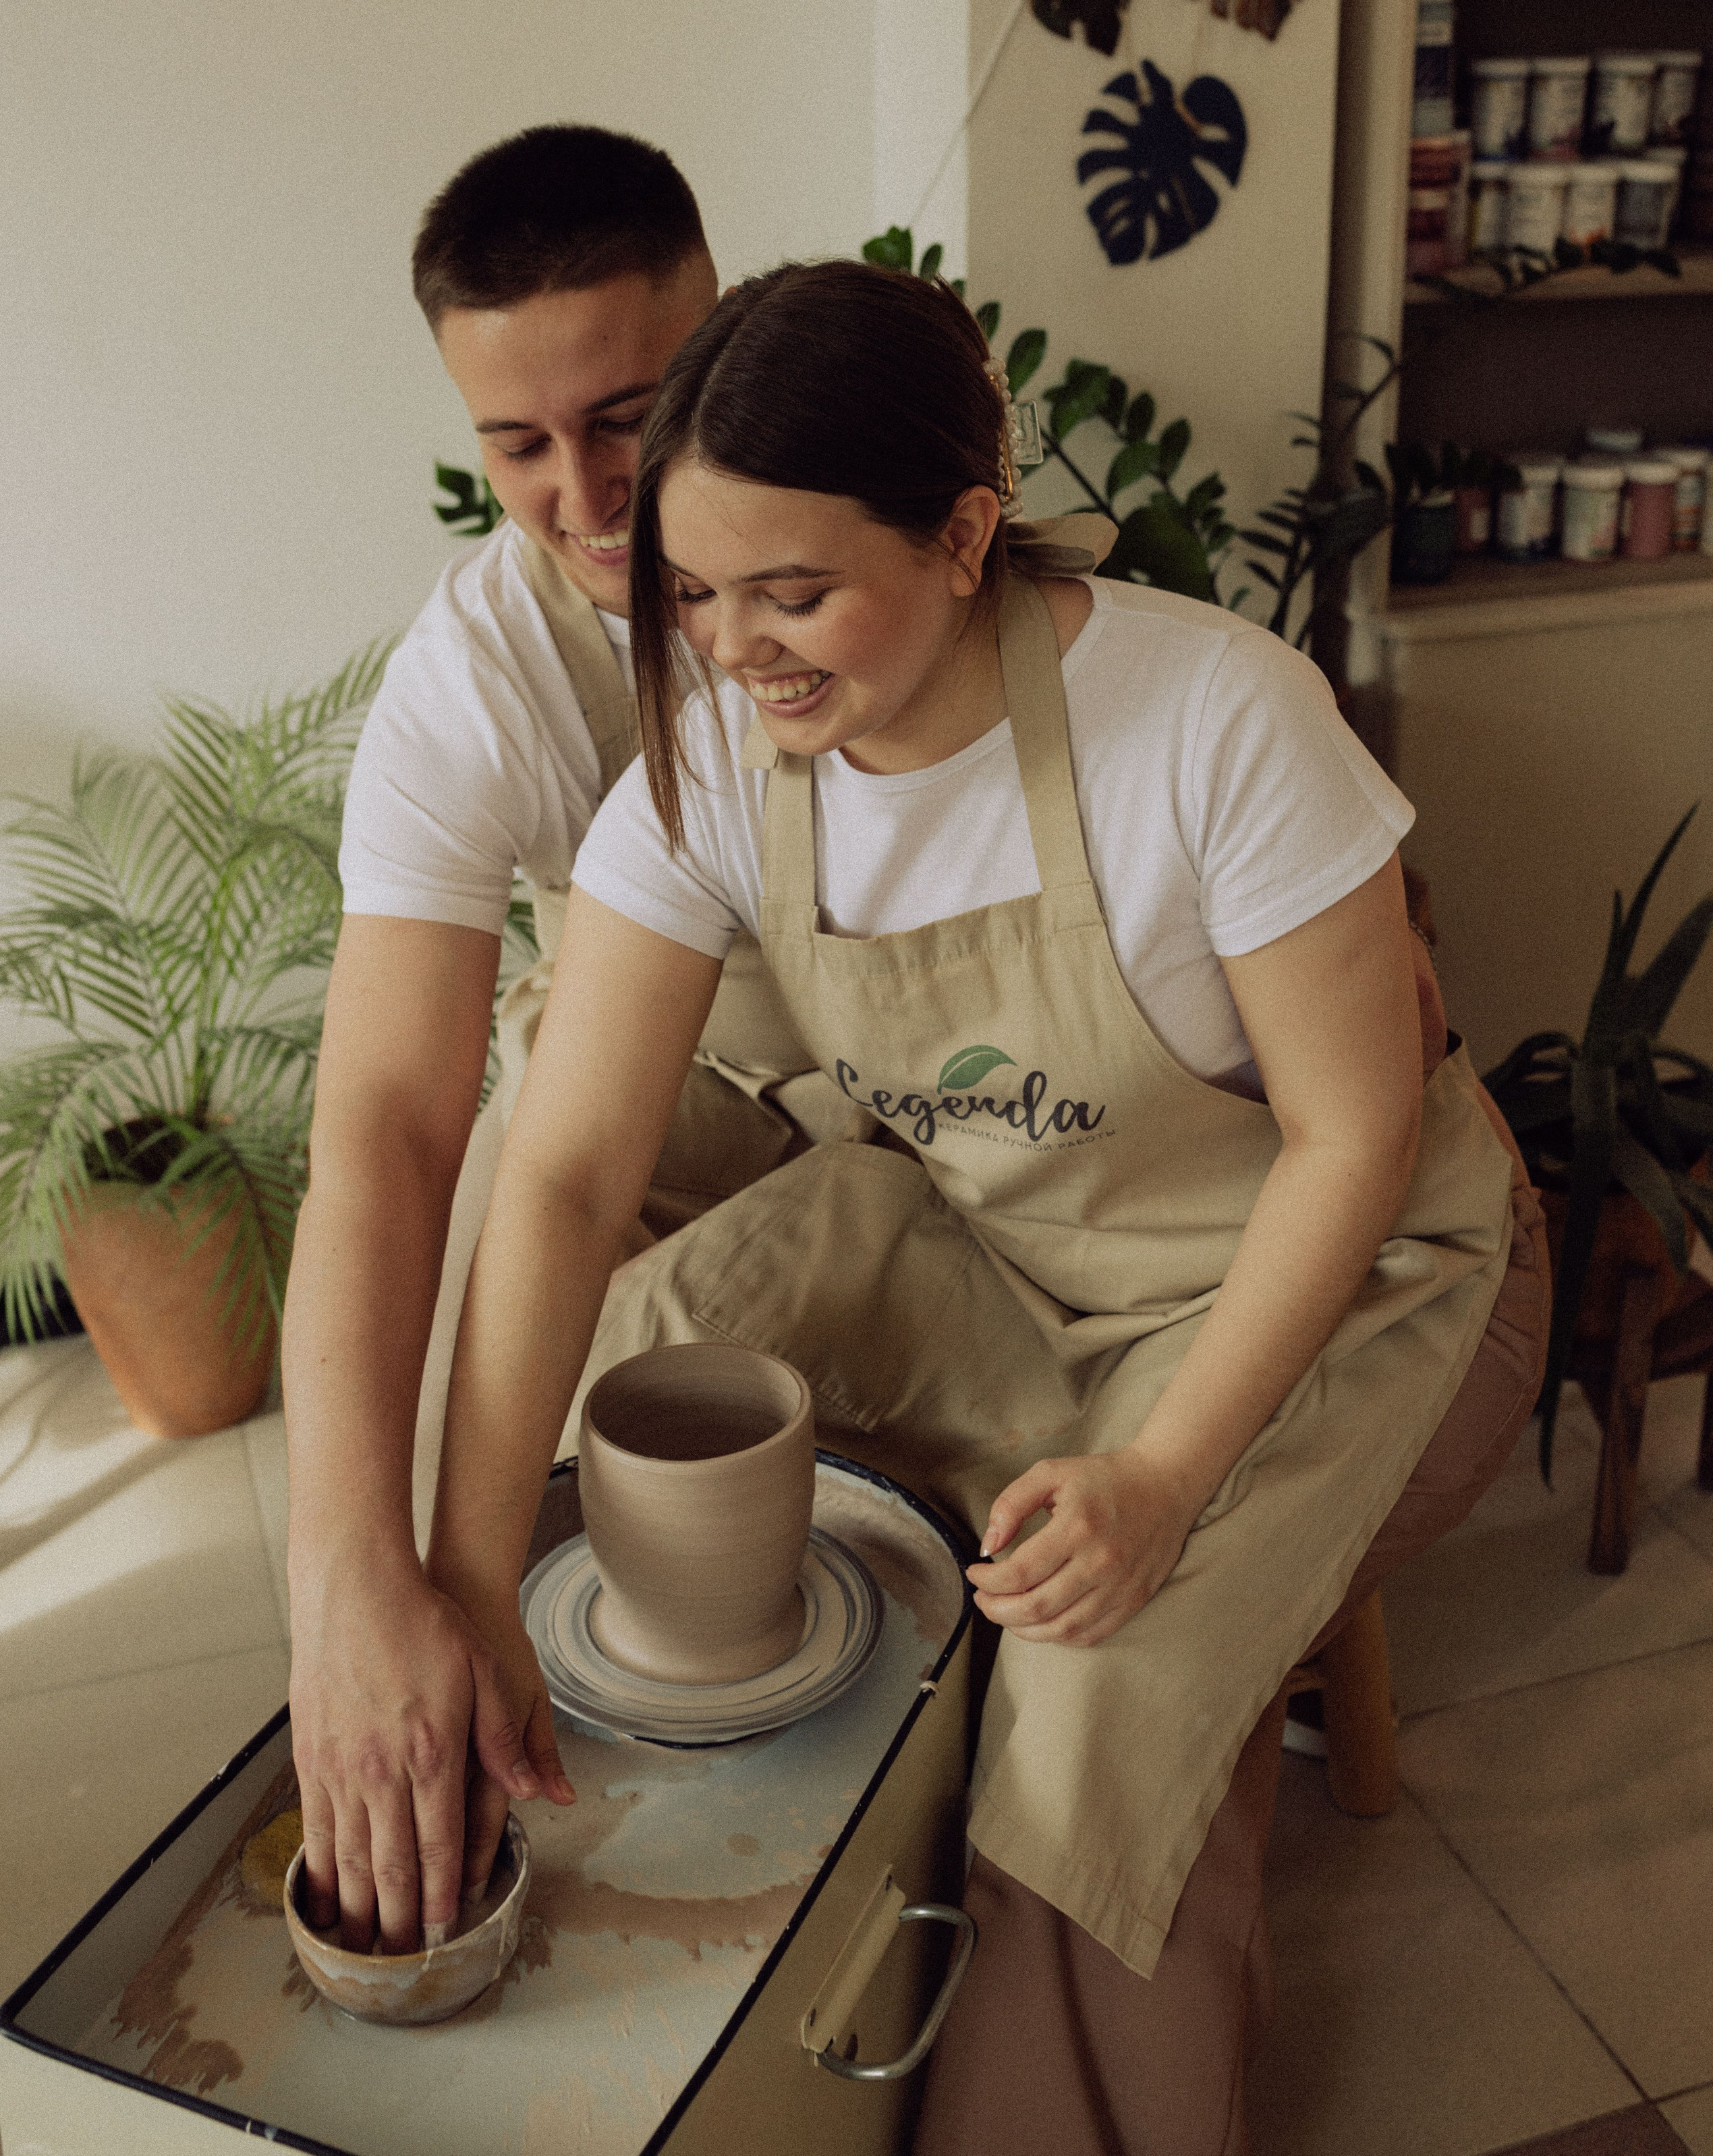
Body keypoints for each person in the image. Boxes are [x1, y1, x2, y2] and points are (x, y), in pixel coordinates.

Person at [417, 258, 1548, 2152]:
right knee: (620, 1385)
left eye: (796, 593)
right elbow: (566, 1165)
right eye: (697, 595)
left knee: (1106, 1697)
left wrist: (1162, 1479)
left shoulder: (1212, 720)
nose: (740, 647)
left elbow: (1353, 1150)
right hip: (1024, 1257)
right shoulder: (714, 752)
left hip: (1356, 1288)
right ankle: (722, 1951)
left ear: (962, 531)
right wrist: (458, 1582)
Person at [281, 132, 855, 1965]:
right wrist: (347, 1580)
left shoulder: (894, 521)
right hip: (683, 1092)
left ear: (722, 329)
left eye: (626, 418)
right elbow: (381, 1116)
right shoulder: (473, 686)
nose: (585, 495)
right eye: (514, 448)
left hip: (956, 1077)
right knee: (474, 1407)